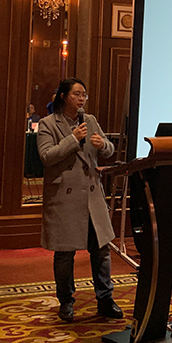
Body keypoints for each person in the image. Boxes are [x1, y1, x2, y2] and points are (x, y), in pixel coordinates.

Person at [36, 77, 123, 323]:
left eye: (84, 94)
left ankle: (105, 299)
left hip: (92, 196)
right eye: (77, 94)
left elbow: (109, 150)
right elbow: (46, 156)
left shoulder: (90, 120)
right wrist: (73, 139)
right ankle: (66, 301)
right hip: (65, 197)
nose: (82, 98)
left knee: (101, 251)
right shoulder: (48, 124)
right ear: (64, 96)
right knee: (65, 254)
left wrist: (103, 145)